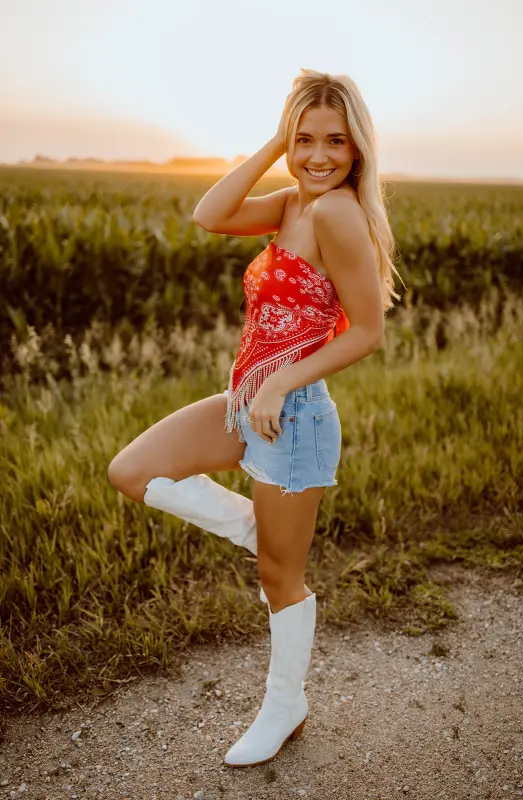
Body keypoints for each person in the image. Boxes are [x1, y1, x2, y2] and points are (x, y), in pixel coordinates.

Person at [107, 67, 401, 768]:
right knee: (133, 470)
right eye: (305, 138)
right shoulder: (294, 204)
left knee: (279, 581)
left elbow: (368, 331)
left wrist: (280, 387)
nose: (319, 155)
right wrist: (275, 144)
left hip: (292, 418)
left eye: (335, 140)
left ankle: (284, 705)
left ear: (358, 147)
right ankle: (253, 527)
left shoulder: (337, 214)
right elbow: (209, 215)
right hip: (248, 401)